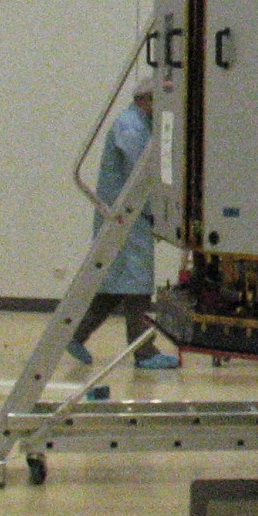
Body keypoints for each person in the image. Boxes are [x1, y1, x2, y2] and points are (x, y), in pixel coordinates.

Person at [65, 82, 179, 370]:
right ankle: (144, 352)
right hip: (126, 217)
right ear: (146, 100)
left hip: (129, 217)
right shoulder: (131, 126)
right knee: (137, 285)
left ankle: (76, 334)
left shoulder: (139, 124)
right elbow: (143, 169)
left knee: (115, 283)